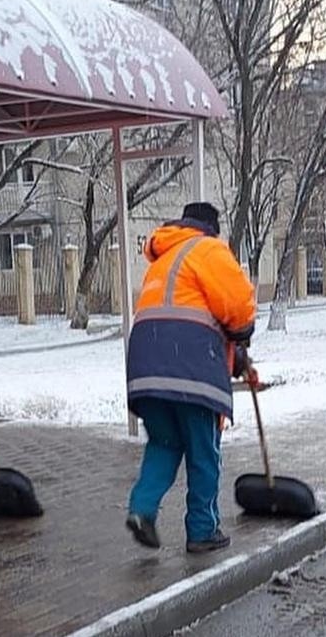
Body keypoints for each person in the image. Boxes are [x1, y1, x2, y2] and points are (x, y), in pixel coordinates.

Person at [125, 202, 258, 554]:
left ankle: (141, 510)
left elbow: (190, 317)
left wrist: (238, 360)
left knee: (164, 444)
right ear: (211, 227)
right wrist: (243, 335)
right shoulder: (209, 248)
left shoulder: (165, 257)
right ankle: (202, 529)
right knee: (203, 452)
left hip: (145, 365)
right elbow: (238, 311)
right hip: (191, 368)